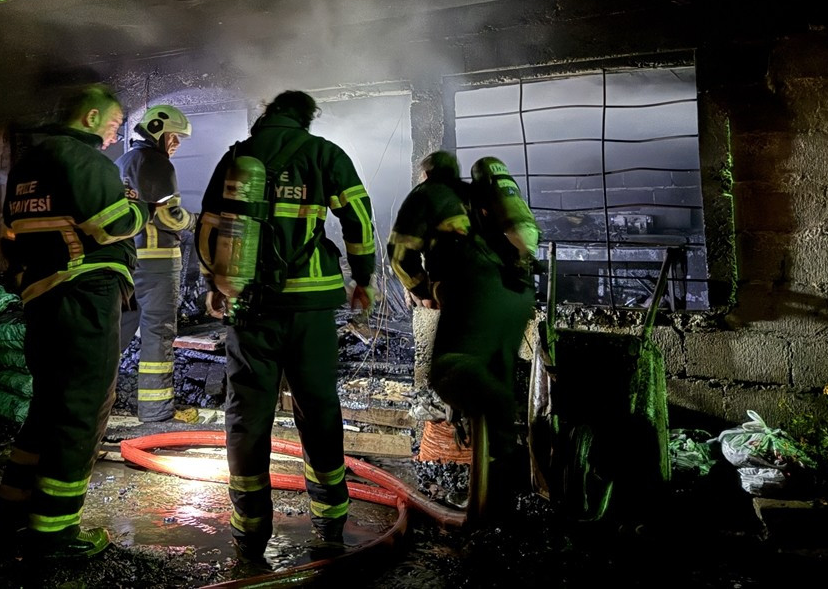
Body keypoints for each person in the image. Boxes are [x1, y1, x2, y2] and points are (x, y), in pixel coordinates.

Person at [196, 90, 376, 565]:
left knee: (248, 415)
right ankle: (331, 519)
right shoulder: (325, 155)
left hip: (250, 308)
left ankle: (250, 527)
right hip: (310, 308)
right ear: (306, 119)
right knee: (318, 407)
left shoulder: (237, 157)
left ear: (267, 117)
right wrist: (363, 278)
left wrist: (214, 282)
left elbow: (208, 225)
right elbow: (358, 217)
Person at [0, 83, 155, 562]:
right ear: (90, 117)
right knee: (80, 414)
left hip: (44, 298)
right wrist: (141, 207)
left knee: (44, 414)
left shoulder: (29, 164)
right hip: (85, 296)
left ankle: (11, 523)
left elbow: (11, 237)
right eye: (113, 123)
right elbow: (113, 223)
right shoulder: (84, 161)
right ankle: (54, 536)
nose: (114, 133)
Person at [387, 150, 540, 511]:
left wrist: (422, 290)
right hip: (516, 294)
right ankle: (495, 500)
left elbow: (400, 253)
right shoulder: (476, 194)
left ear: (426, 174)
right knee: (491, 382)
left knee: (449, 371)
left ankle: (503, 463)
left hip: (476, 294)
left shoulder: (428, 194)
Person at [115, 104, 196, 423]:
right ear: (158, 131)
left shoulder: (122, 162)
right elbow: (168, 215)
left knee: (117, 334)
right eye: (174, 137)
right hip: (158, 265)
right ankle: (156, 411)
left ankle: (94, 402)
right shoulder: (157, 163)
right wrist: (193, 222)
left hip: (128, 263)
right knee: (158, 334)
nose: (175, 144)